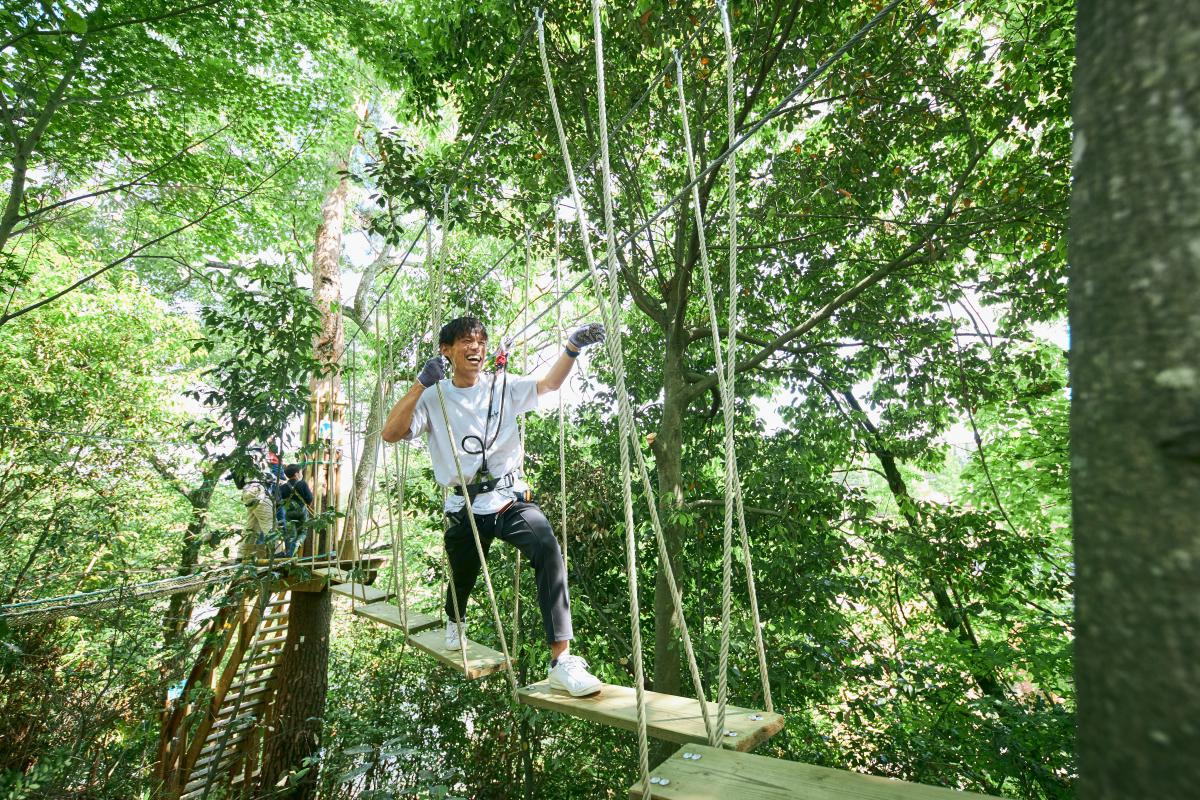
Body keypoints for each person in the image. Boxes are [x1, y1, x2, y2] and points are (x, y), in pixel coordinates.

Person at [382, 316, 605, 697]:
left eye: (481, 342)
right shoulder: (433, 397)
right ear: (446, 351)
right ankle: (456, 619)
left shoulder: (502, 386)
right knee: (463, 574)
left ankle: (561, 661)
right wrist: (420, 383)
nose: (476, 348)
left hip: (507, 499)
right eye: (466, 342)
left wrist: (572, 347)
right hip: (465, 505)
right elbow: (391, 434)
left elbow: (549, 384)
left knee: (546, 545)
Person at [279, 464, 314, 556]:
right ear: (296, 474)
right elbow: (309, 498)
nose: (301, 474)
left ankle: (288, 553)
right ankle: (293, 550)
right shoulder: (302, 484)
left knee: (290, 534)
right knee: (302, 532)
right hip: (301, 512)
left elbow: (278, 501)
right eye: (300, 472)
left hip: (288, 513)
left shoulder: (283, 487)